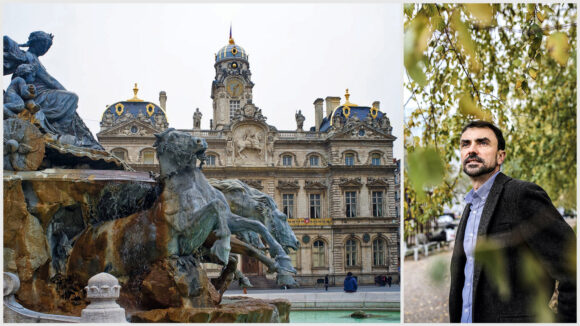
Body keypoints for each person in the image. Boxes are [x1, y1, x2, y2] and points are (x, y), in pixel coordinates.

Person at [449, 120, 576, 323]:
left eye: (482, 143)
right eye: (466, 144)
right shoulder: (469, 207)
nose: (472, 150)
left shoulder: (521, 195)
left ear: (501, 156)